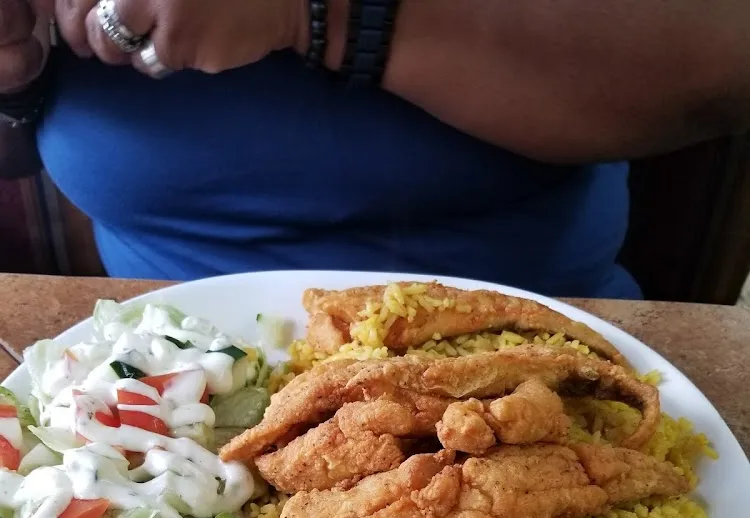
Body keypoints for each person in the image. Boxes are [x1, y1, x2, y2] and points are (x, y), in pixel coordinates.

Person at [1, 0, 749, 294]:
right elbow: (14, 155)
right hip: (164, 390)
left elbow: (719, 74)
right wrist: (13, 73)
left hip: (533, 358)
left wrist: (315, 13)